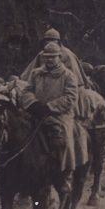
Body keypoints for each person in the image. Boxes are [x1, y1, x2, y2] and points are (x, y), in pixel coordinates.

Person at [22, 42, 89, 197]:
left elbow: (70, 98)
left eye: (53, 57)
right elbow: (27, 90)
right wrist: (34, 103)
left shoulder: (68, 75)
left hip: (60, 114)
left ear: (60, 57)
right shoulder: (36, 73)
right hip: (37, 112)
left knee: (64, 138)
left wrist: (50, 107)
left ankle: (66, 175)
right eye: (47, 57)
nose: (50, 60)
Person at [21, 28, 91, 89]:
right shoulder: (41, 54)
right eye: (47, 40)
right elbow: (28, 73)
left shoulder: (68, 54)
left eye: (52, 40)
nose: (49, 42)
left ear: (58, 41)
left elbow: (75, 79)